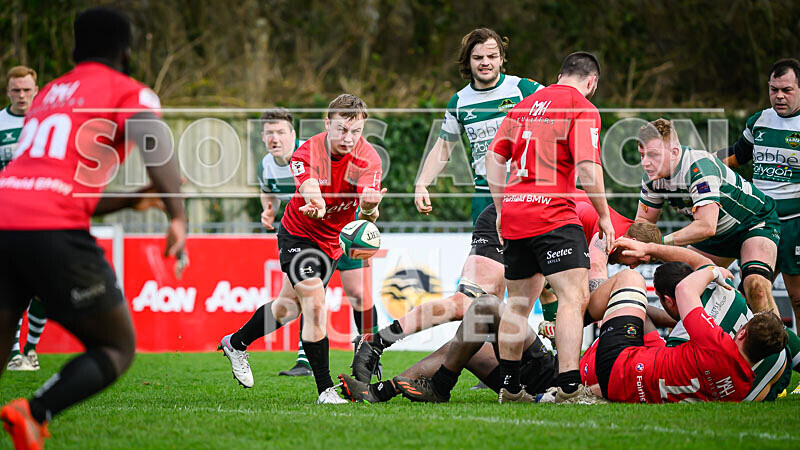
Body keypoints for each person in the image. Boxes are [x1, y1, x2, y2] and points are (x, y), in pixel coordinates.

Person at [0, 8, 186, 449]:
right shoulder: (126, 90)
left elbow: (53, 186)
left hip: (5, 215)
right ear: (126, 52)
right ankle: (35, 412)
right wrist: (177, 212)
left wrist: (129, 198)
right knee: (116, 347)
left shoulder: (48, 94)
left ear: (73, 49)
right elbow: (154, 141)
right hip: (49, 230)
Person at [342, 208, 660, 402]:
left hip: (528, 224)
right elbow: (592, 285)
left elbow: (559, 294)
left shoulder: (588, 223)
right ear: (634, 243)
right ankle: (378, 342)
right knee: (472, 305)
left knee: (471, 338)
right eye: (638, 259)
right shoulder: (609, 233)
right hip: (512, 220)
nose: (631, 267)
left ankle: (382, 391)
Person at [218, 94, 385, 404]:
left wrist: (371, 209)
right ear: (327, 124)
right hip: (298, 234)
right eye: (341, 129)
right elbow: (308, 185)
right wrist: (316, 199)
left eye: (356, 131)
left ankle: (236, 343)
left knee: (287, 308)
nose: (348, 138)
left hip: (332, 243)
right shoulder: (307, 151)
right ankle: (325, 391)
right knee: (316, 302)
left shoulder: (370, 159)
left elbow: (367, 207)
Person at [486, 51, 614, 404]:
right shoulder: (582, 108)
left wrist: (499, 208)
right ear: (592, 82)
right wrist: (603, 214)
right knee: (574, 298)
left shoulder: (523, 106)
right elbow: (588, 170)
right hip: (553, 215)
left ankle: (510, 389)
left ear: (559, 75)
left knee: (517, 304)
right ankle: (570, 388)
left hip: (514, 213)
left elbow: (493, 159)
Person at [582, 238, 800, 402]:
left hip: (618, 364)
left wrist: (714, 271)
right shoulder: (743, 387)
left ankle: (576, 319)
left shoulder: (722, 312)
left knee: (630, 278)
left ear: (741, 332)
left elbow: (686, 287)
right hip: (629, 385)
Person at [254, 108, 379, 377]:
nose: (275, 139)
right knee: (304, 296)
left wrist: (361, 209)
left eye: (281, 132)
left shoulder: (314, 149)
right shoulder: (266, 165)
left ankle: (370, 355)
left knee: (357, 293)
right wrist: (268, 210)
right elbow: (268, 192)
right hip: (307, 230)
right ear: (263, 137)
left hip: (346, 229)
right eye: (269, 134)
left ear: (293, 135)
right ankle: (304, 360)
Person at [636, 118, 782, 316]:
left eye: (653, 155)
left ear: (674, 153)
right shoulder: (652, 178)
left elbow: (706, 226)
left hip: (752, 222)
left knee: (755, 286)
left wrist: (659, 245)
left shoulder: (698, 167)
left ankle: (779, 346)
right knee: (680, 288)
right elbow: (643, 223)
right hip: (715, 236)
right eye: (642, 155)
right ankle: (682, 344)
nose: (645, 163)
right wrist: (635, 248)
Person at [414, 28, 543, 224]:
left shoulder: (522, 88)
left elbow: (562, 111)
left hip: (525, 194)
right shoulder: (459, 101)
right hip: (485, 197)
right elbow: (443, 148)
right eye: (478, 57)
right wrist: (422, 184)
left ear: (501, 59)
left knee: (527, 255)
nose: (485, 62)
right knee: (483, 256)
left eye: (492, 56)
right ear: (468, 61)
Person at [717, 58, 800, 330]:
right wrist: (702, 160)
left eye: (786, 90)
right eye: (773, 89)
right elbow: (738, 155)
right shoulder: (760, 121)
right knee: (751, 293)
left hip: (796, 224)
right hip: (762, 222)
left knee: (798, 298)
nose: (778, 96)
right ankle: (763, 359)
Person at [1, 66, 49, 372]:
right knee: (13, 285)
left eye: (26, 90)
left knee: (44, 287)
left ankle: (30, 349)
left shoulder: (47, 123)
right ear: (8, 91)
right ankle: (14, 352)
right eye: (16, 90)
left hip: (43, 217)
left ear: (36, 90)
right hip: (6, 216)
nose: (21, 95)